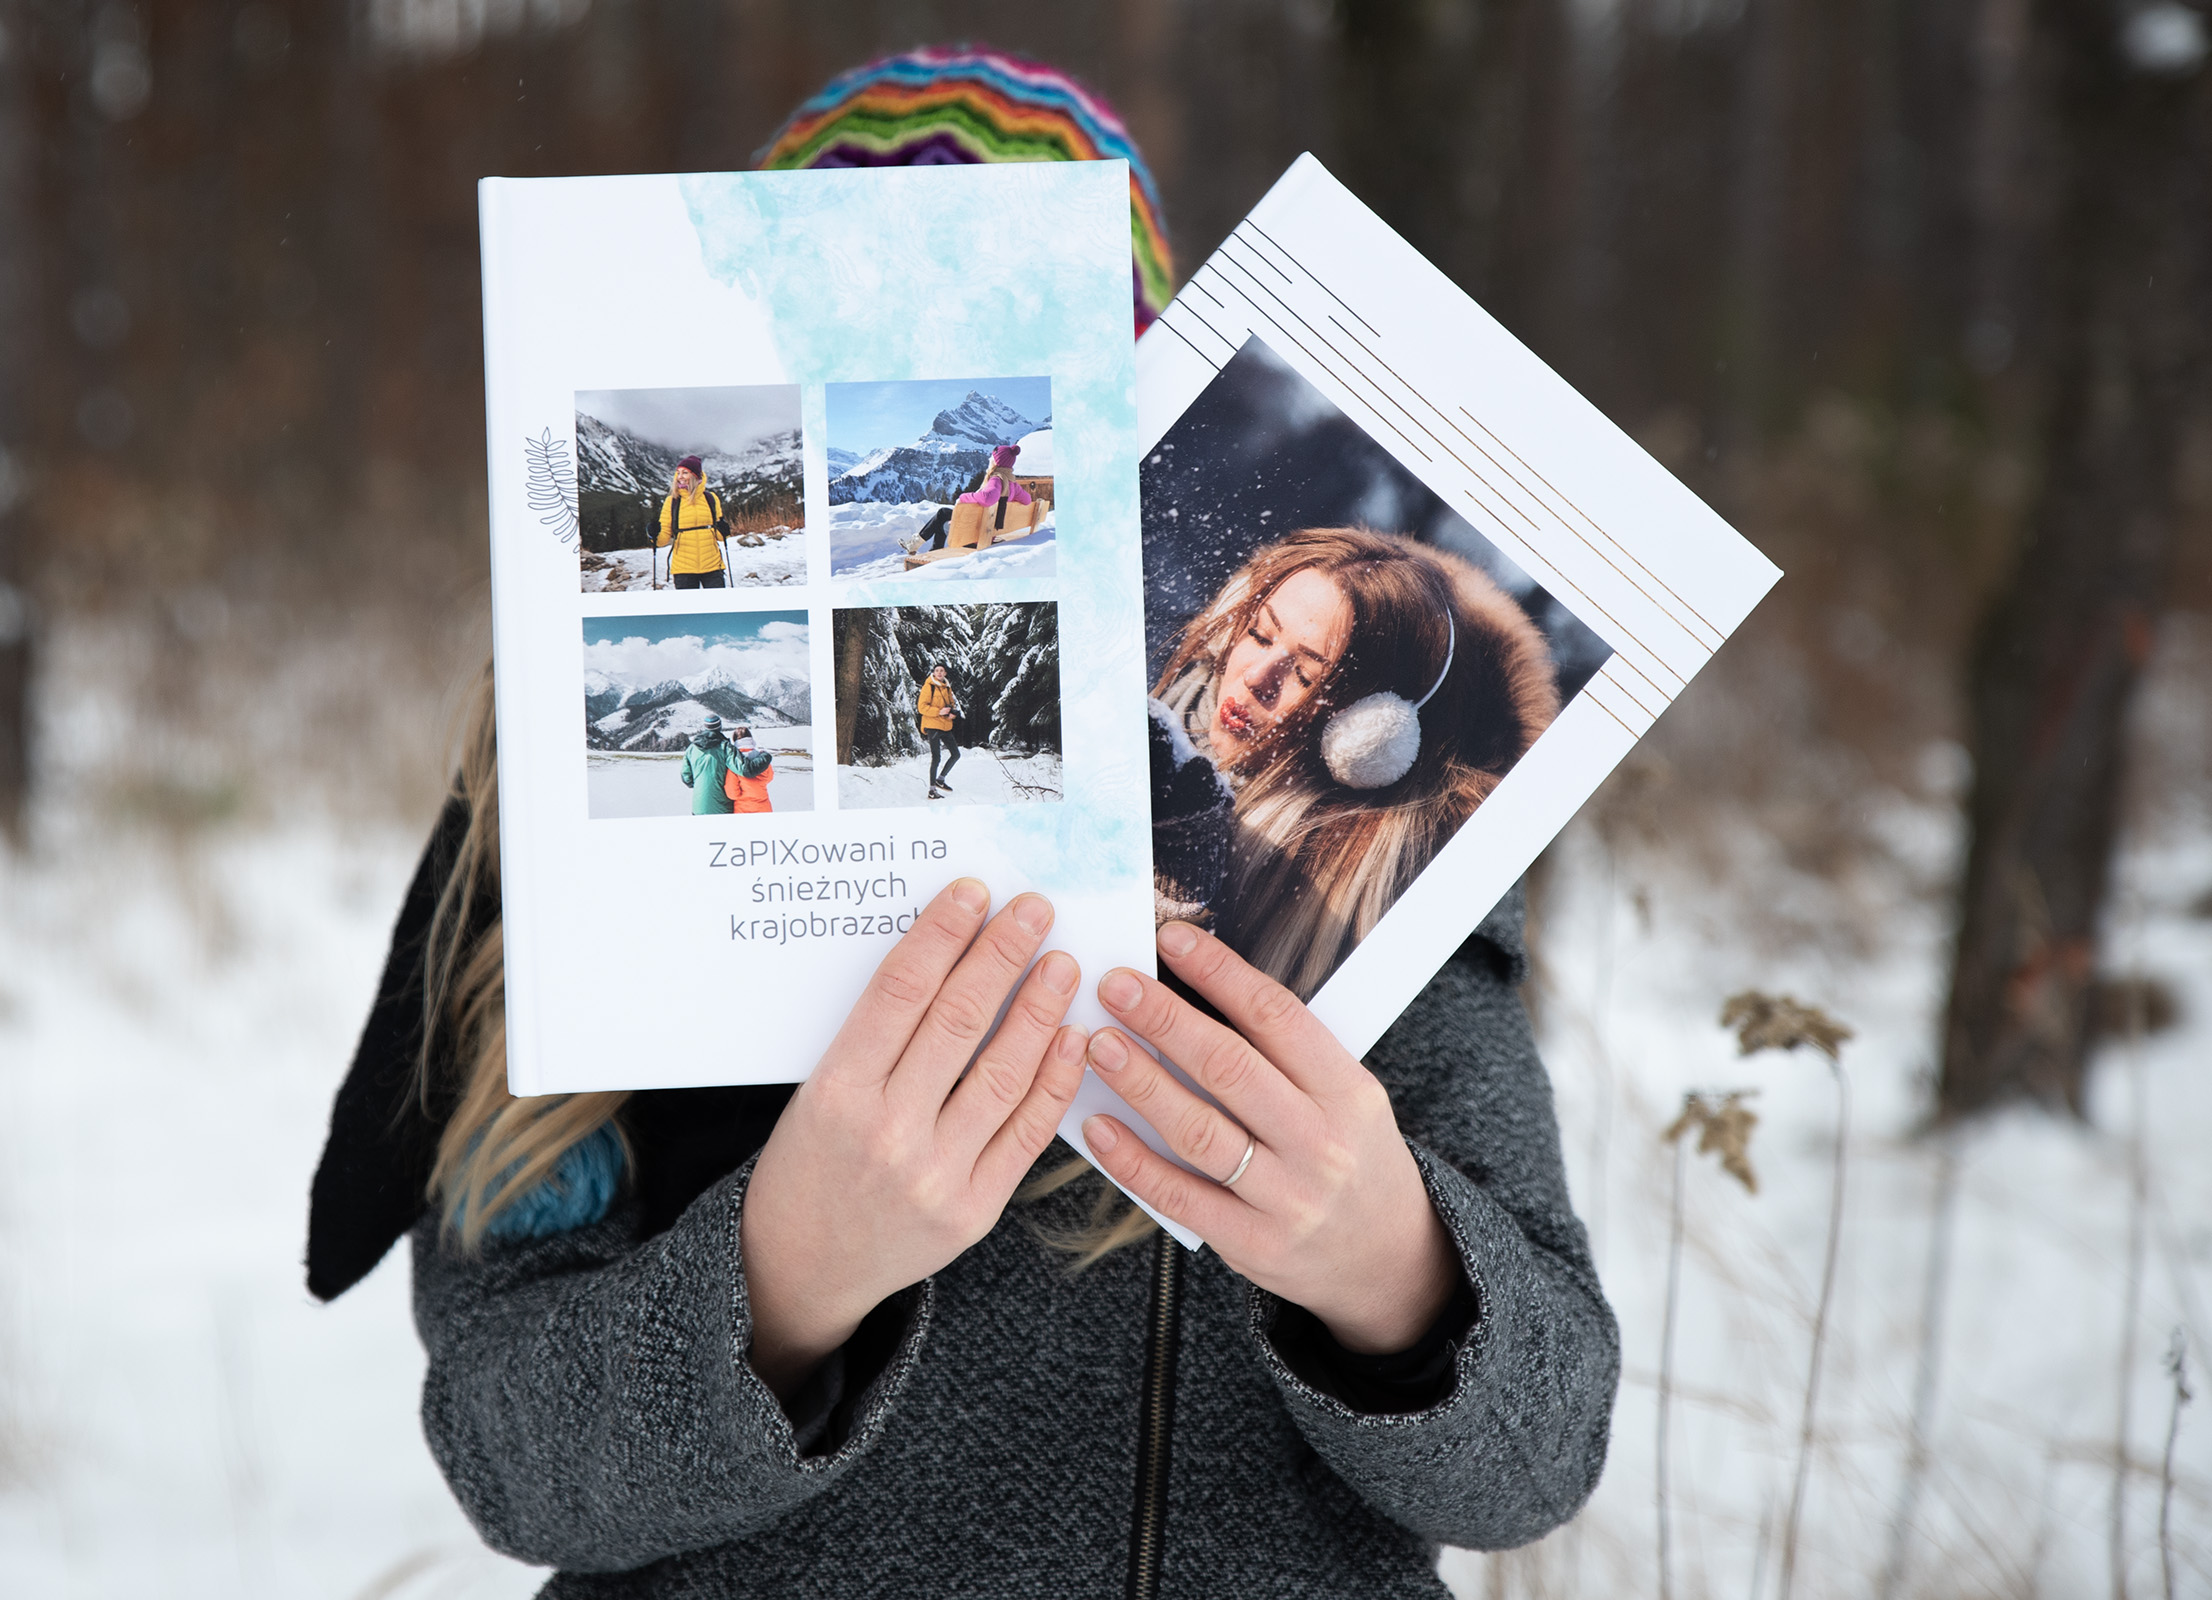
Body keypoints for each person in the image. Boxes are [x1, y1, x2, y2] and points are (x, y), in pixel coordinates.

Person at [304, 49, 1613, 1600]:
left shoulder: (1352, 885)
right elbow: (514, 1461)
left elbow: (1541, 1455)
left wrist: (1384, 1264)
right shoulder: (580, 857)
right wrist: (789, 1274)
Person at [1148, 526, 1561, 999]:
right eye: (1260, 634)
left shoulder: (1389, 923)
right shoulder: (1159, 718)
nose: (1258, 677)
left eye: (1304, 673)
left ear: (1370, 733)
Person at [656, 457, 730, 590]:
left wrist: (725, 530)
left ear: (695, 475)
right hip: (683, 568)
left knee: (717, 607)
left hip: (712, 565)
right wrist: (654, 536)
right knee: (688, 608)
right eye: (678, 473)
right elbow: (663, 538)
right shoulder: (672, 501)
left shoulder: (711, 498)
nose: (680, 477)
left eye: (685, 472)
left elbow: (720, 536)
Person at [680, 712, 761, 815]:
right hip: (722, 808)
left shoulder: (691, 749)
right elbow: (743, 770)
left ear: (705, 727)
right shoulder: (725, 747)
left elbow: (686, 778)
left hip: (698, 807)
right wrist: (764, 757)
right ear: (719, 727)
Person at [957, 442, 1036, 537]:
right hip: (990, 530)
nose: (989, 459)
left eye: (992, 458)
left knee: (942, 514)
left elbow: (988, 499)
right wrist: (1008, 499)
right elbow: (1027, 500)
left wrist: (963, 497)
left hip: (978, 532)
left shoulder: (996, 479)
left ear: (996, 462)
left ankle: (935, 548)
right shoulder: (1012, 483)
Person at [915, 663, 959, 798]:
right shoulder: (928, 687)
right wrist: (939, 711)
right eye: (937, 670)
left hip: (945, 725)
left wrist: (953, 713)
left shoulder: (947, 687)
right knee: (936, 758)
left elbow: (952, 704)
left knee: (956, 754)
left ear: (945, 673)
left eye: (942, 671)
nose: (939, 673)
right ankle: (932, 791)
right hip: (932, 725)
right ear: (934, 673)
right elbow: (921, 708)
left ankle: (940, 780)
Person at [724, 726, 776, 814]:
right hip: (763, 807)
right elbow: (769, 777)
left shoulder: (736, 763)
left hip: (743, 809)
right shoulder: (762, 759)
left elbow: (732, 793)